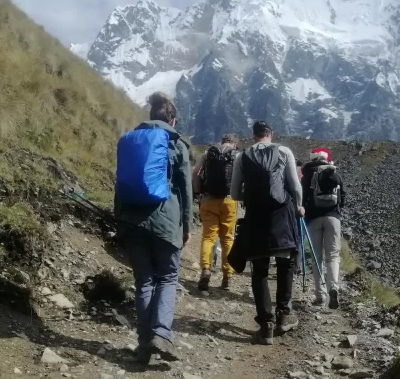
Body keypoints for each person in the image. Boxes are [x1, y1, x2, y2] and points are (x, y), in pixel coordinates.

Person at [114, 92, 193, 364]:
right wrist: (188, 224)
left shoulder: (130, 140)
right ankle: (161, 333)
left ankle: (143, 345)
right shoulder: (177, 144)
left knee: (144, 282)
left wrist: (119, 219)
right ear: (172, 118)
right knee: (168, 278)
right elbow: (185, 188)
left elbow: (120, 184)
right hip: (166, 220)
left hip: (133, 220)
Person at [228, 120, 303, 345]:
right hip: (282, 215)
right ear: (271, 134)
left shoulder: (242, 156)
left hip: (255, 218)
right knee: (285, 264)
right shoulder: (284, 151)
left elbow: (233, 194)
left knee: (259, 270)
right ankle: (284, 314)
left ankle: (266, 324)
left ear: (254, 136)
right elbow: (295, 186)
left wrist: (252, 198)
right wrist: (298, 205)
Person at [192, 133, 240, 291]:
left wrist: (198, 194)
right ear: (234, 144)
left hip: (208, 200)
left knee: (208, 237)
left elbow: (196, 174)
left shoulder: (208, 153)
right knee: (227, 239)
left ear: (222, 141)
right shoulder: (236, 156)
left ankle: (205, 269)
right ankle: (227, 276)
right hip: (229, 201)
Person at [301, 147, 346, 309]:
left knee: (316, 257)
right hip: (333, 218)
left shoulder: (307, 174)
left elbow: (302, 196)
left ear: (312, 158)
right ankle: (333, 286)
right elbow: (343, 198)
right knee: (333, 256)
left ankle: (320, 295)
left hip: (313, 219)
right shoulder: (334, 173)